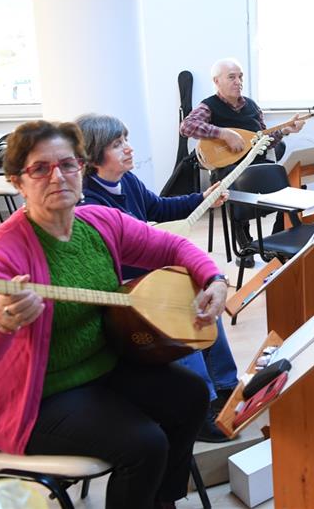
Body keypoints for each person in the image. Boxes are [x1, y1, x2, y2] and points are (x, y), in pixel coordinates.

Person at [0, 120, 227, 508]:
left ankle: (162, 501)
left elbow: (170, 246)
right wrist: (1, 322)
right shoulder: (0, 249)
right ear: (17, 182)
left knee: (192, 395)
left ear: (82, 168)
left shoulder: (99, 222)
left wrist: (213, 278)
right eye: (40, 168)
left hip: (102, 369)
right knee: (145, 444)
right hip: (37, 399)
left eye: (68, 164)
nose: (58, 176)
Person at [76, 113, 238, 442]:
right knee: (184, 320)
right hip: (125, 293)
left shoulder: (128, 181)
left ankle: (226, 386)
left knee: (206, 302)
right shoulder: (89, 202)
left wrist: (203, 198)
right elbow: (118, 262)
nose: (129, 148)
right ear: (93, 157)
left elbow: (159, 208)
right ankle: (202, 407)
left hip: (149, 276)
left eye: (126, 140)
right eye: (117, 144)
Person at [180, 58, 303, 267]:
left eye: (240, 77)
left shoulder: (252, 106)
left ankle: (276, 244)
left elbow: (264, 140)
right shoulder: (209, 105)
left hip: (257, 163)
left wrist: (284, 131)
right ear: (216, 81)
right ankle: (245, 245)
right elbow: (186, 127)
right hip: (229, 169)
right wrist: (223, 133)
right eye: (232, 77)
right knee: (233, 183)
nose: (238, 81)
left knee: (288, 186)